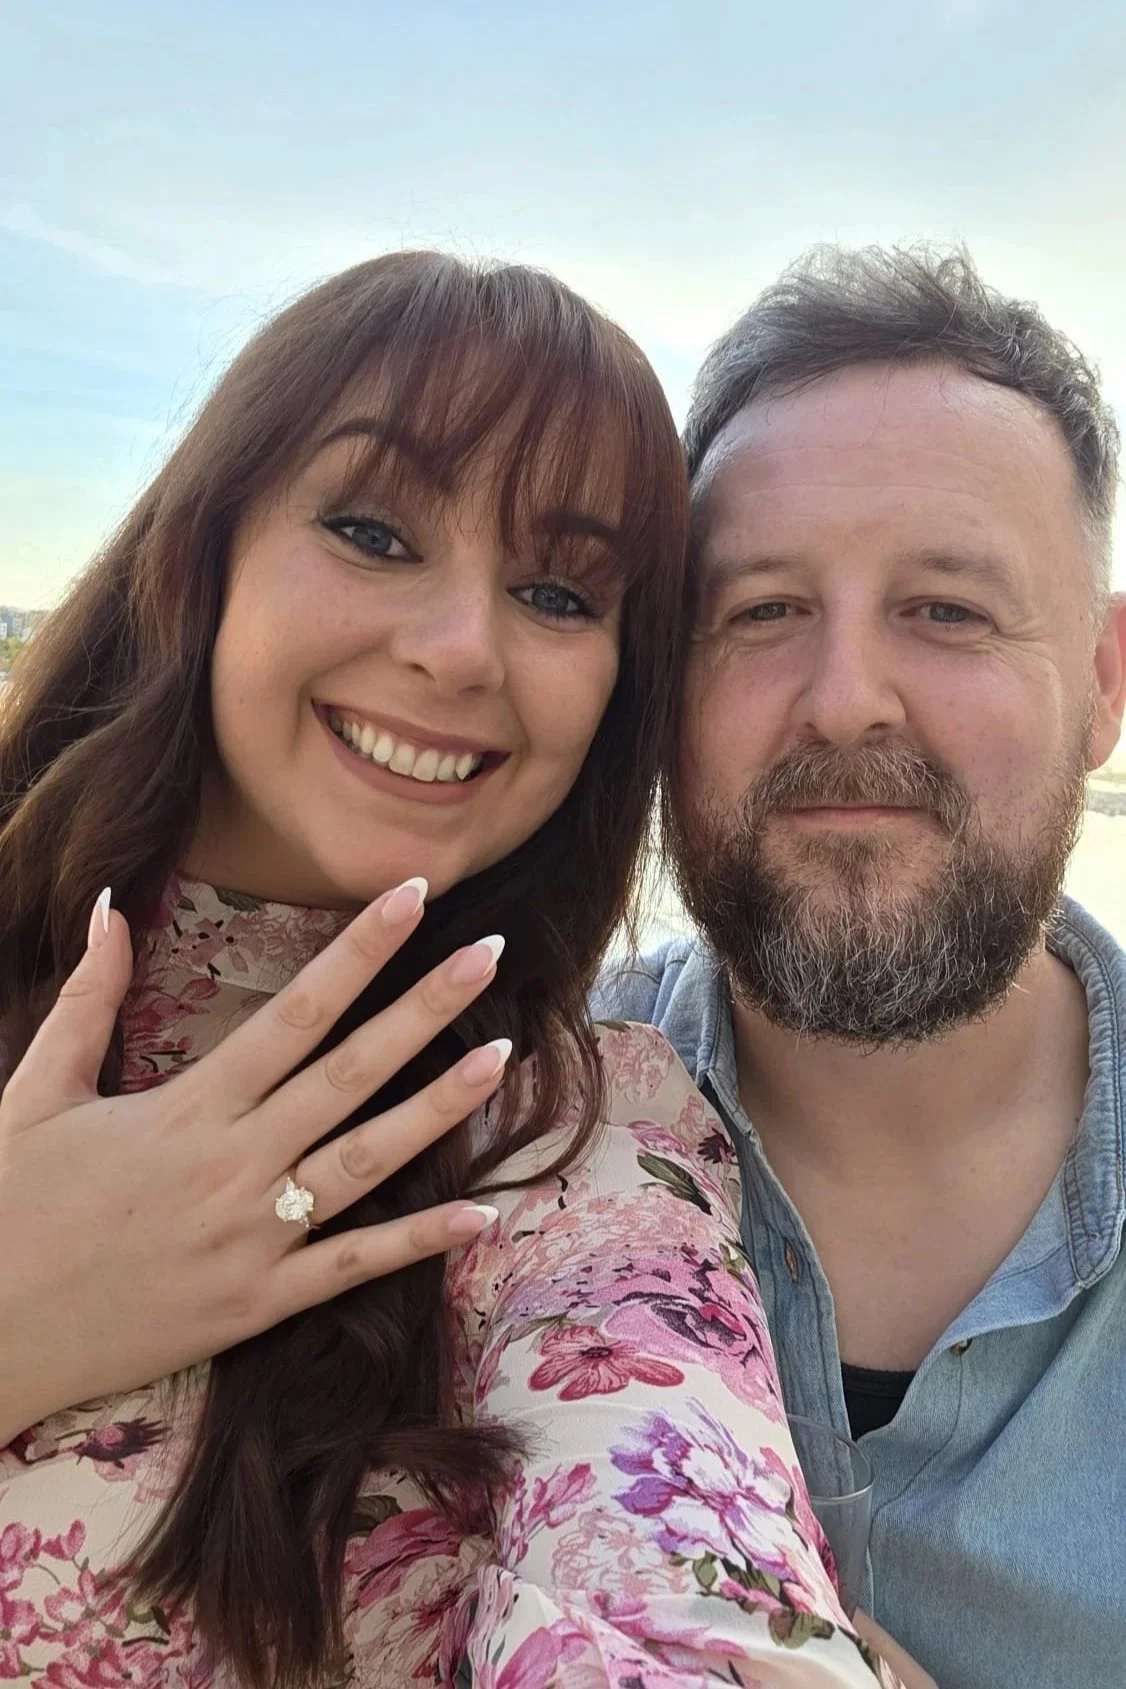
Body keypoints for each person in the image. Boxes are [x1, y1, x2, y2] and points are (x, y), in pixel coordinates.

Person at [0, 254, 912, 1688]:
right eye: (372, 530)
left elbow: (673, 1576)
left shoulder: (573, 1131)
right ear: (204, 546)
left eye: (557, 593)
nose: (457, 649)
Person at [595, 245, 1126, 1689]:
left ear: (1103, 683)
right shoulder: (493, 1122)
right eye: (761, 611)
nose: (841, 700)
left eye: (945, 610)